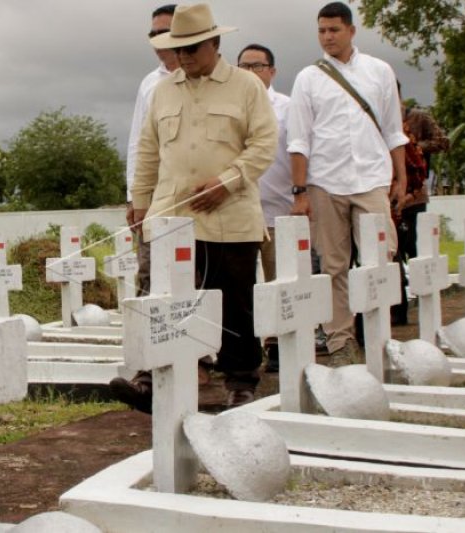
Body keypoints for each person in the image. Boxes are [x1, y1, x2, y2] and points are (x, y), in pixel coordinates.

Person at [110, 3, 278, 410]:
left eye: (192, 49)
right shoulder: (163, 90)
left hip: (229, 213)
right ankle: (152, 378)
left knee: (234, 301)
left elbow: (264, 145)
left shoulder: (246, 86)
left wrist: (227, 181)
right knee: (162, 298)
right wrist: (141, 203)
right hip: (172, 214)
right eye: (178, 50)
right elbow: (148, 152)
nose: (183, 57)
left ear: (215, 43)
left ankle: (240, 381)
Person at [288, 2, 408, 365]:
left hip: (371, 177)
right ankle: (341, 342)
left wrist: (401, 177)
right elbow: (299, 139)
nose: (328, 37)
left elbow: (393, 130)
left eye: (334, 30)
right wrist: (300, 191)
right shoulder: (308, 77)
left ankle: (376, 332)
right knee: (333, 265)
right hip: (325, 181)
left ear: (351, 31)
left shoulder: (379, 71)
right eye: (322, 31)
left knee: (381, 256)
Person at [237, 43, 292, 373]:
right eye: (243, 66)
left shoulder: (287, 107)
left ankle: (276, 345)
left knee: (278, 282)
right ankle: (245, 349)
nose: (250, 72)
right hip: (240, 210)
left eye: (257, 66)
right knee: (241, 285)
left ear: (272, 71)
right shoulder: (230, 106)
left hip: (278, 208)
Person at [126, 4, 179, 297]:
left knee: (191, 272)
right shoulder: (149, 83)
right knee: (149, 270)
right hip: (155, 193)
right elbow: (138, 142)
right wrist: (133, 196)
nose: (158, 40)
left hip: (192, 192)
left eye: (165, 32)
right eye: (153, 34)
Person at [391, 83, 449, 325]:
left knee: (415, 251)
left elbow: (443, 141)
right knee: (392, 255)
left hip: (415, 195)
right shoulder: (377, 121)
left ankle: (427, 309)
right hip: (389, 196)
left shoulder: (418, 118)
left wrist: (412, 147)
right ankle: (398, 310)